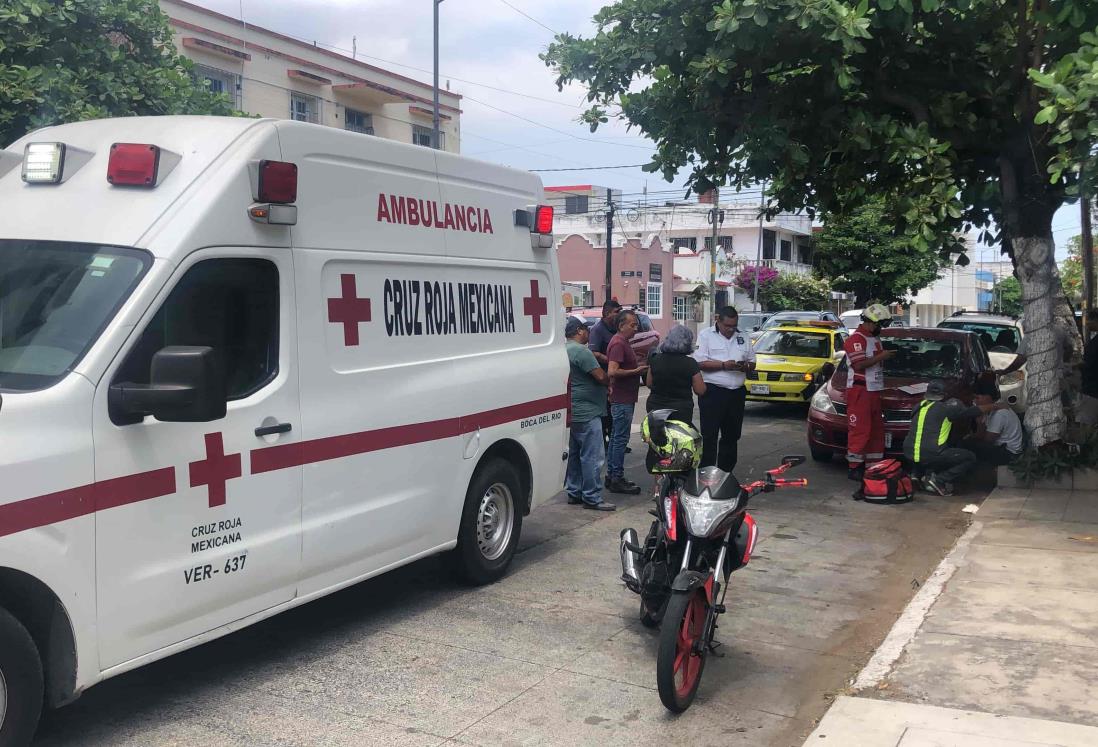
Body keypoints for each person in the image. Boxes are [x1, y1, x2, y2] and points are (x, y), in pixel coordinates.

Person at [903, 380, 1005, 496]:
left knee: (924, 447)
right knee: (968, 457)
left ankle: (915, 475)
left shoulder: (918, 406)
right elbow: (971, 412)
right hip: (931, 454)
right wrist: (994, 406)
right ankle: (939, 480)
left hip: (909, 452)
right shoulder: (947, 408)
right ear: (945, 394)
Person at [693, 306, 755, 473]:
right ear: (718, 321)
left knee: (732, 435)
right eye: (727, 325)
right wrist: (723, 365)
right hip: (713, 392)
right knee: (710, 434)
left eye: (734, 325)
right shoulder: (706, 335)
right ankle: (707, 472)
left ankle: (725, 472)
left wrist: (745, 366)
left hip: (736, 392)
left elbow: (752, 361)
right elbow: (699, 363)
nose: (731, 329)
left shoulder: (743, 336)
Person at [563, 318, 615, 511]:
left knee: (575, 455)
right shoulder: (580, 351)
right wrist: (610, 380)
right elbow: (600, 376)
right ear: (579, 331)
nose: (589, 334)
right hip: (588, 411)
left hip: (572, 410)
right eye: (586, 330)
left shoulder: (563, 349)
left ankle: (574, 491)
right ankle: (592, 497)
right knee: (592, 456)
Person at [843, 304, 896, 481]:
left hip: (874, 390)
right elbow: (859, 364)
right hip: (860, 390)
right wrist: (882, 357)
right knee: (860, 429)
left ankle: (873, 466)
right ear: (872, 322)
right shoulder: (856, 339)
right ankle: (855, 466)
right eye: (880, 324)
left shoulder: (874, 339)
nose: (881, 328)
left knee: (875, 430)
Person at [606, 310, 649, 494]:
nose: (635, 328)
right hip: (621, 399)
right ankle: (616, 477)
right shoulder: (617, 343)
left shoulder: (624, 342)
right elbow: (612, 371)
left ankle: (612, 475)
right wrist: (636, 371)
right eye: (632, 324)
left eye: (636, 324)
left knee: (617, 437)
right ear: (621, 325)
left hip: (625, 397)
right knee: (620, 439)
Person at [646, 324, 706, 424]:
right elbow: (700, 390)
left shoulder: (655, 359)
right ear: (687, 342)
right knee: (678, 437)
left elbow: (649, 383)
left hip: (656, 406)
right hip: (680, 409)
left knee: (658, 436)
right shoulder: (690, 363)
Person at [962, 381, 1023, 465]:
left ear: (989, 397)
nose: (975, 402)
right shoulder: (992, 408)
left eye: (978, 397)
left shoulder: (999, 414)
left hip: (1010, 453)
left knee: (968, 446)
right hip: (1001, 446)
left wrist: (979, 424)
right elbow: (981, 436)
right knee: (968, 442)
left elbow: (987, 440)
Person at [589, 299, 622, 448]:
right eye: (616, 312)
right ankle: (603, 442)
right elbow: (594, 353)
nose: (619, 315)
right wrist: (611, 359)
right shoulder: (598, 330)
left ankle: (615, 442)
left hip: (615, 375)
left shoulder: (616, 329)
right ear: (607, 313)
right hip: (602, 376)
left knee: (614, 412)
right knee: (604, 412)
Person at [1077, 310, 1098, 426]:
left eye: (1090, 320)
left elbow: (1089, 364)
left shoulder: (1095, 343)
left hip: (1092, 391)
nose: (1088, 323)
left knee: (1085, 424)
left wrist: (1074, 366)